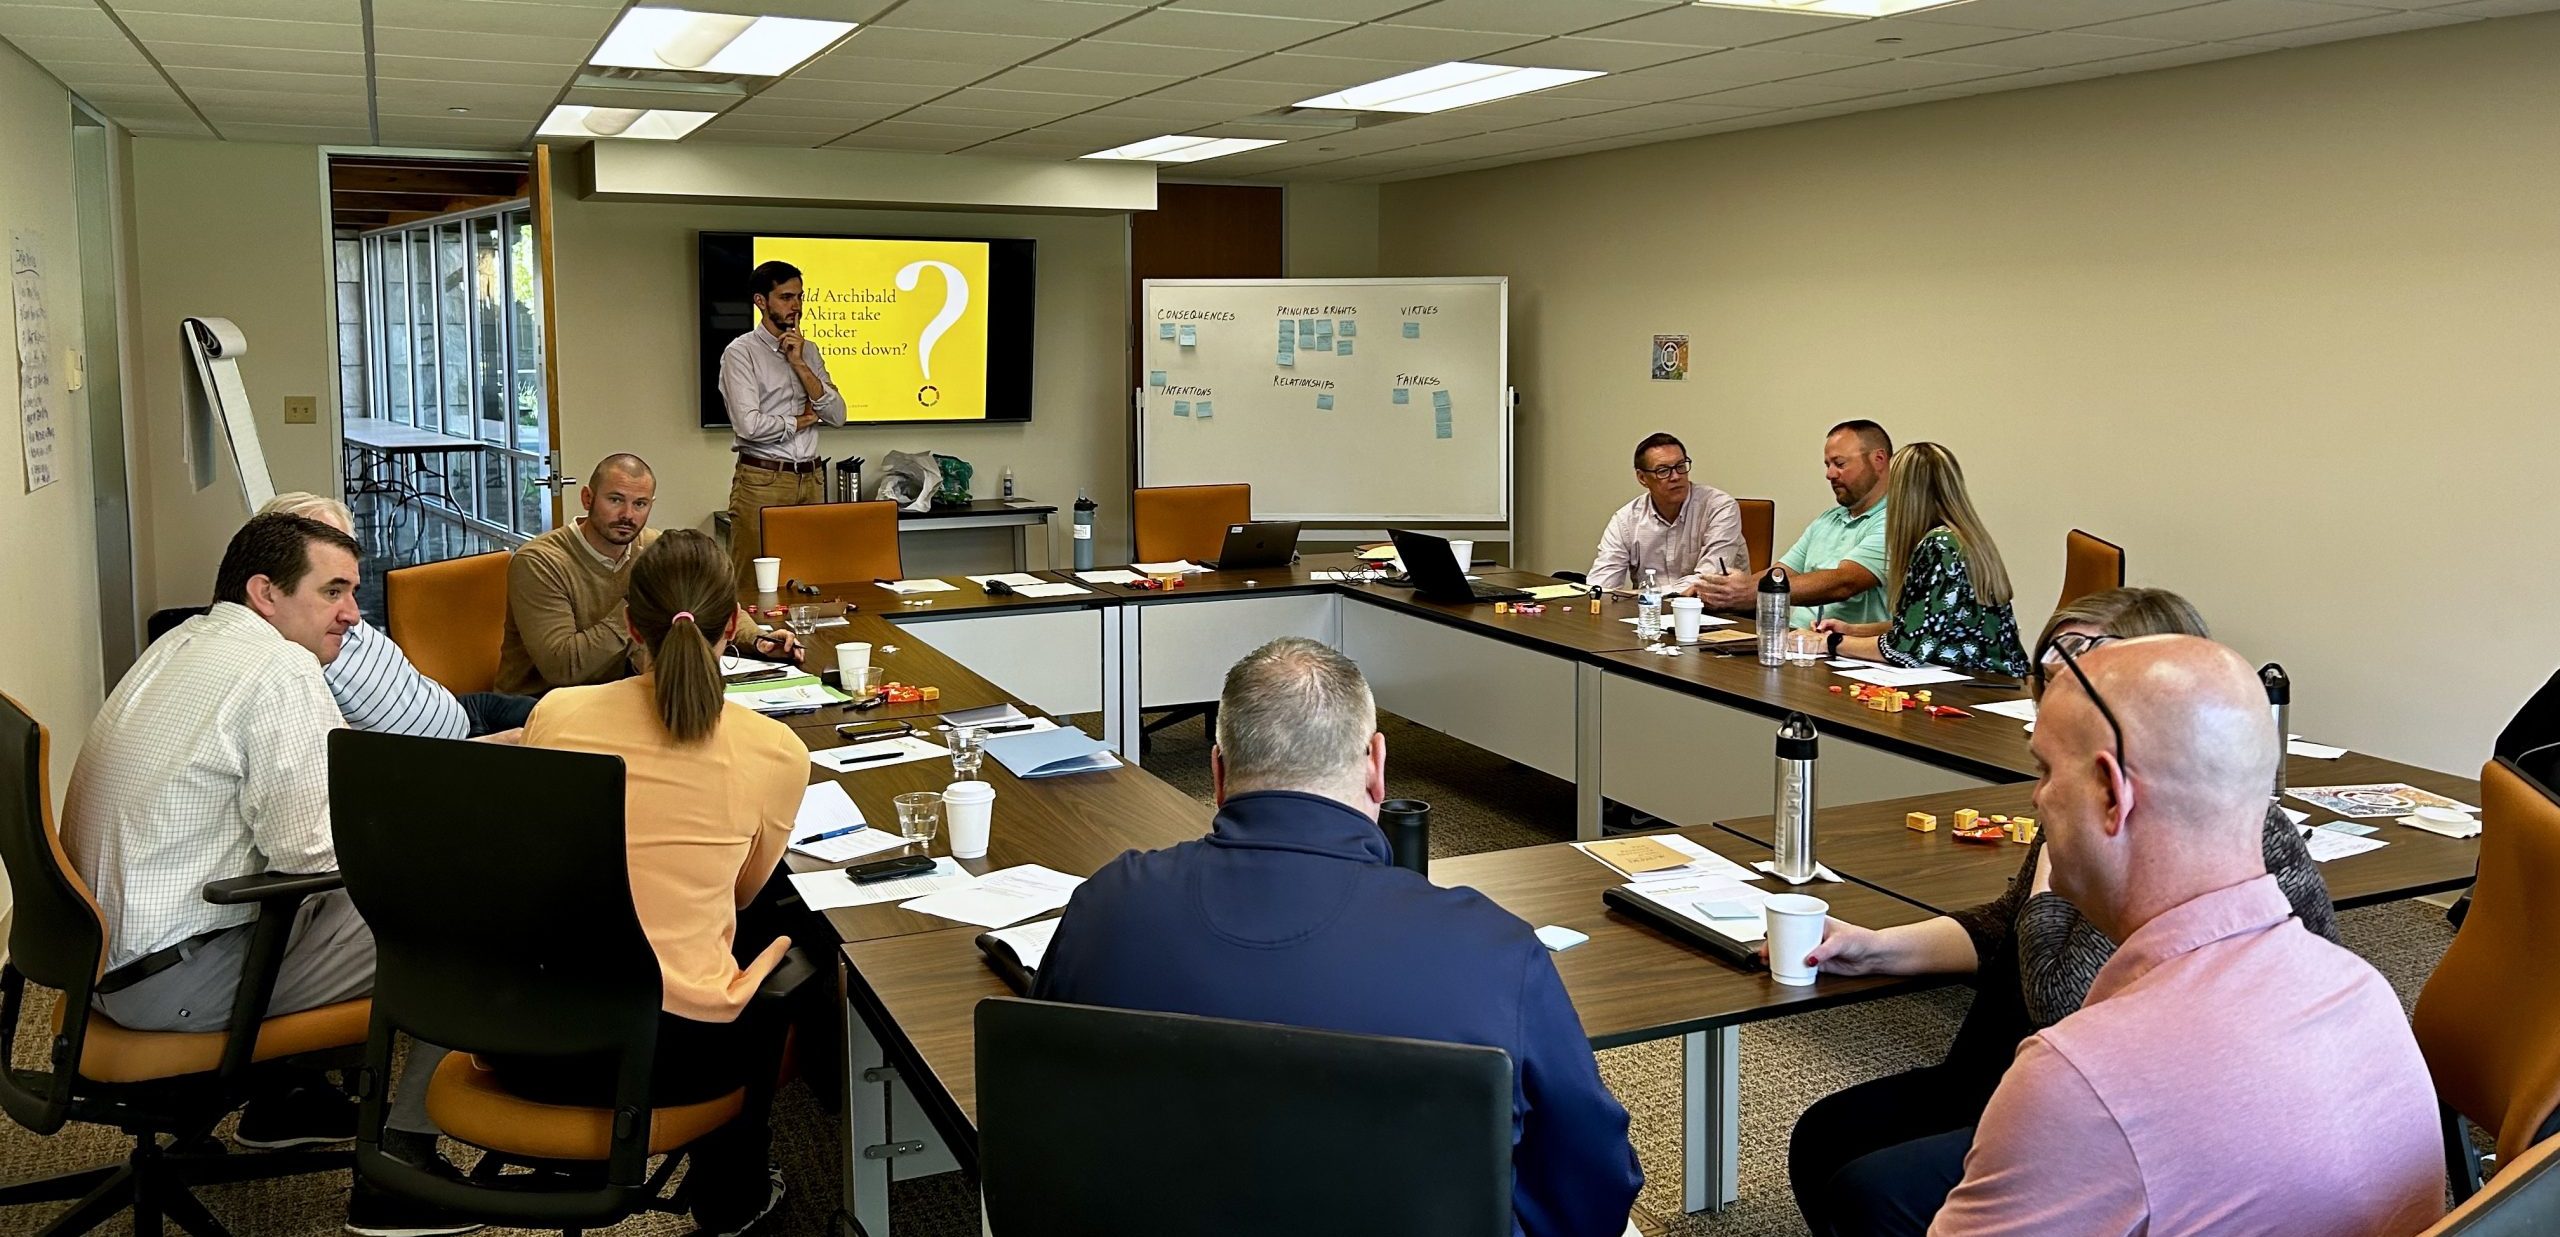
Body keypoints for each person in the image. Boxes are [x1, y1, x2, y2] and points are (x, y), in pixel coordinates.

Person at [1034, 637, 1643, 1237]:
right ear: (1377, 766)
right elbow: (1592, 1185)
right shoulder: (1494, 950)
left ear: (1217, 772)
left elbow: (1045, 1112)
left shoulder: (1106, 905)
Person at [1784, 588, 2341, 1235]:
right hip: (2025, 1069)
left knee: (1872, 1193)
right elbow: (2008, 923)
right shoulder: (2095, 798)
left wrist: (2055, 845)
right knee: (1825, 1137)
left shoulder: (2180, 837)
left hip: (2122, 1101)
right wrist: (1877, 946)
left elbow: (2059, 992)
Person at [1855, 636, 2440, 1236]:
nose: (2036, 800)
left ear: (2112, 794)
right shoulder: (2362, 992)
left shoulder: (2081, 1080)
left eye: (2045, 771)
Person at [59, 513, 470, 1236]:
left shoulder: (182, 642)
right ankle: (398, 1170)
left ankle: (285, 1101)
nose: (353, 611)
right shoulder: (280, 668)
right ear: (264, 592)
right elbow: (313, 858)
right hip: (179, 976)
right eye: (333, 590)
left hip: (98, 956)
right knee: (466, 917)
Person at [498, 529, 802, 1236]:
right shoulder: (774, 750)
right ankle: (732, 1199)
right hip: (672, 1060)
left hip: (528, 1041)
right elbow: (742, 897)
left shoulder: (555, 716)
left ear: (629, 623)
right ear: (735, 626)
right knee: (778, 937)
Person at [495, 454, 797, 696]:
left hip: (627, 695)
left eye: (639, 504)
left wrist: (760, 639)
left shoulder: (651, 545)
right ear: (587, 499)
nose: (628, 514)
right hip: (538, 707)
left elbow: (710, 600)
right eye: (615, 500)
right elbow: (565, 668)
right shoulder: (540, 562)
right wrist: (642, 604)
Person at [258, 492, 534, 738]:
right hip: (448, 751)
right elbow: (367, 763)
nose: (353, 614)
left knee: (570, 710)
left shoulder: (339, 606)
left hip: (458, 707)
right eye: (331, 589)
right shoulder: (298, 657)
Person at [1793, 443, 2028, 678]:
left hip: (1977, 686)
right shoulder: (1961, 538)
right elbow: (1918, 625)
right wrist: (1853, 630)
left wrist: (1830, 642)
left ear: (1905, 495)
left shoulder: (1940, 545)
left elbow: (1906, 649)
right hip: (1991, 680)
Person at [721, 258, 847, 592]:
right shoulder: (740, 353)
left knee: (810, 576)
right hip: (763, 479)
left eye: (800, 297)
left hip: (811, 477)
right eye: (786, 297)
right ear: (761, 301)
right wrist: (801, 420)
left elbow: (837, 415)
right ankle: (750, 643)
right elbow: (748, 425)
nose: (796, 306)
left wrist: (800, 364)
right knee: (753, 582)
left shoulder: (810, 351)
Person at [1692, 420, 1892, 623]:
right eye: (1827, 465)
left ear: (1878, 460)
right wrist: (1721, 590)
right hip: (1795, 638)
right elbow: (1780, 573)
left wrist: (1749, 591)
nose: (1829, 474)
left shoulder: (1894, 521)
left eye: (1839, 464)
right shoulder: (1828, 519)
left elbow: (1845, 582)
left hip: (1843, 649)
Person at [1585, 431, 1745, 593]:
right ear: (1642, 478)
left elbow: (1709, 579)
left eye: (1681, 466)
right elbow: (1602, 585)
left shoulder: (1719, 507)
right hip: (1648, 613)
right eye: (1663, 471)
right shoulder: (1626, 519)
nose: (1676, 476)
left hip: (1714, 612)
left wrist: (1643, 593)